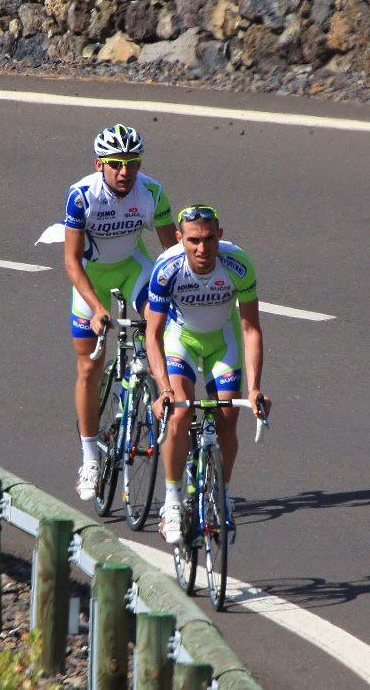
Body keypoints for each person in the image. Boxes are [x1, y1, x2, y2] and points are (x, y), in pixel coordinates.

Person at [64, 123, 177, 501]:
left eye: (132, 163)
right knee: (88, 365)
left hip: (133, 268)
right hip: (91, 277)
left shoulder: (153, 193)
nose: (125, 171)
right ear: (100, 164)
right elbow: (71, 262)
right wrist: (97, 309)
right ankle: (90, 456)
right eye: (115, 163)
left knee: (156, 324)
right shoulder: (81, 196)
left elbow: (170, 255)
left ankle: (147, 380)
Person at [146, 204, 271, 545]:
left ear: (220, 235)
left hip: (221, 341)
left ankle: (224, 496)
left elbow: (250, 329)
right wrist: (163, 390)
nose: (203, 248)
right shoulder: (167, 268)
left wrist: (256, 388)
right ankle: (172, 502)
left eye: (209, 239)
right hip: (180, 340)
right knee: (181, 412)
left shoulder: (238, 265)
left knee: (228, 417)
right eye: (194, 241)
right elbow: (153, 334)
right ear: (179, 239)